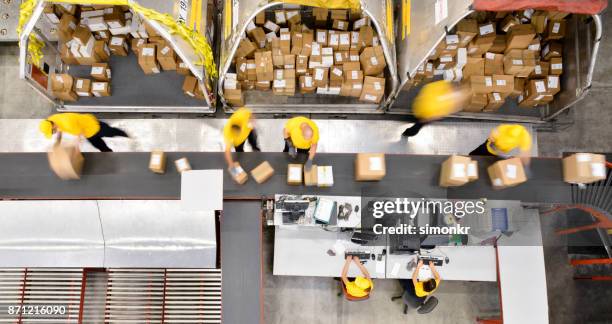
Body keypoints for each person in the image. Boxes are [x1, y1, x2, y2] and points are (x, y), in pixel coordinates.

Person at [402, 80, 469, 137]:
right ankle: (407, 133)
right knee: (416, 126)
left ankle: (407, 132)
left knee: (414, 125)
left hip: (421, 111)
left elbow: (427, 87)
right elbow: (439, 115)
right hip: (424, 114)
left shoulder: (443, 86)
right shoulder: (451, 102)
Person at [39, 113, 128, 152]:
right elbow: (59, 130)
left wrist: (75, 148)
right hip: (86, 130)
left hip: (93, 126)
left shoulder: (68, 124)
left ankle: (125, 134)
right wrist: (58, 141)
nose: (53, 133)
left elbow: (79, 137)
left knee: (111, 132)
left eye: (52, 132)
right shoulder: (52, 119)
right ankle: (109, 154)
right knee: (100, 146)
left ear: (53, 126)